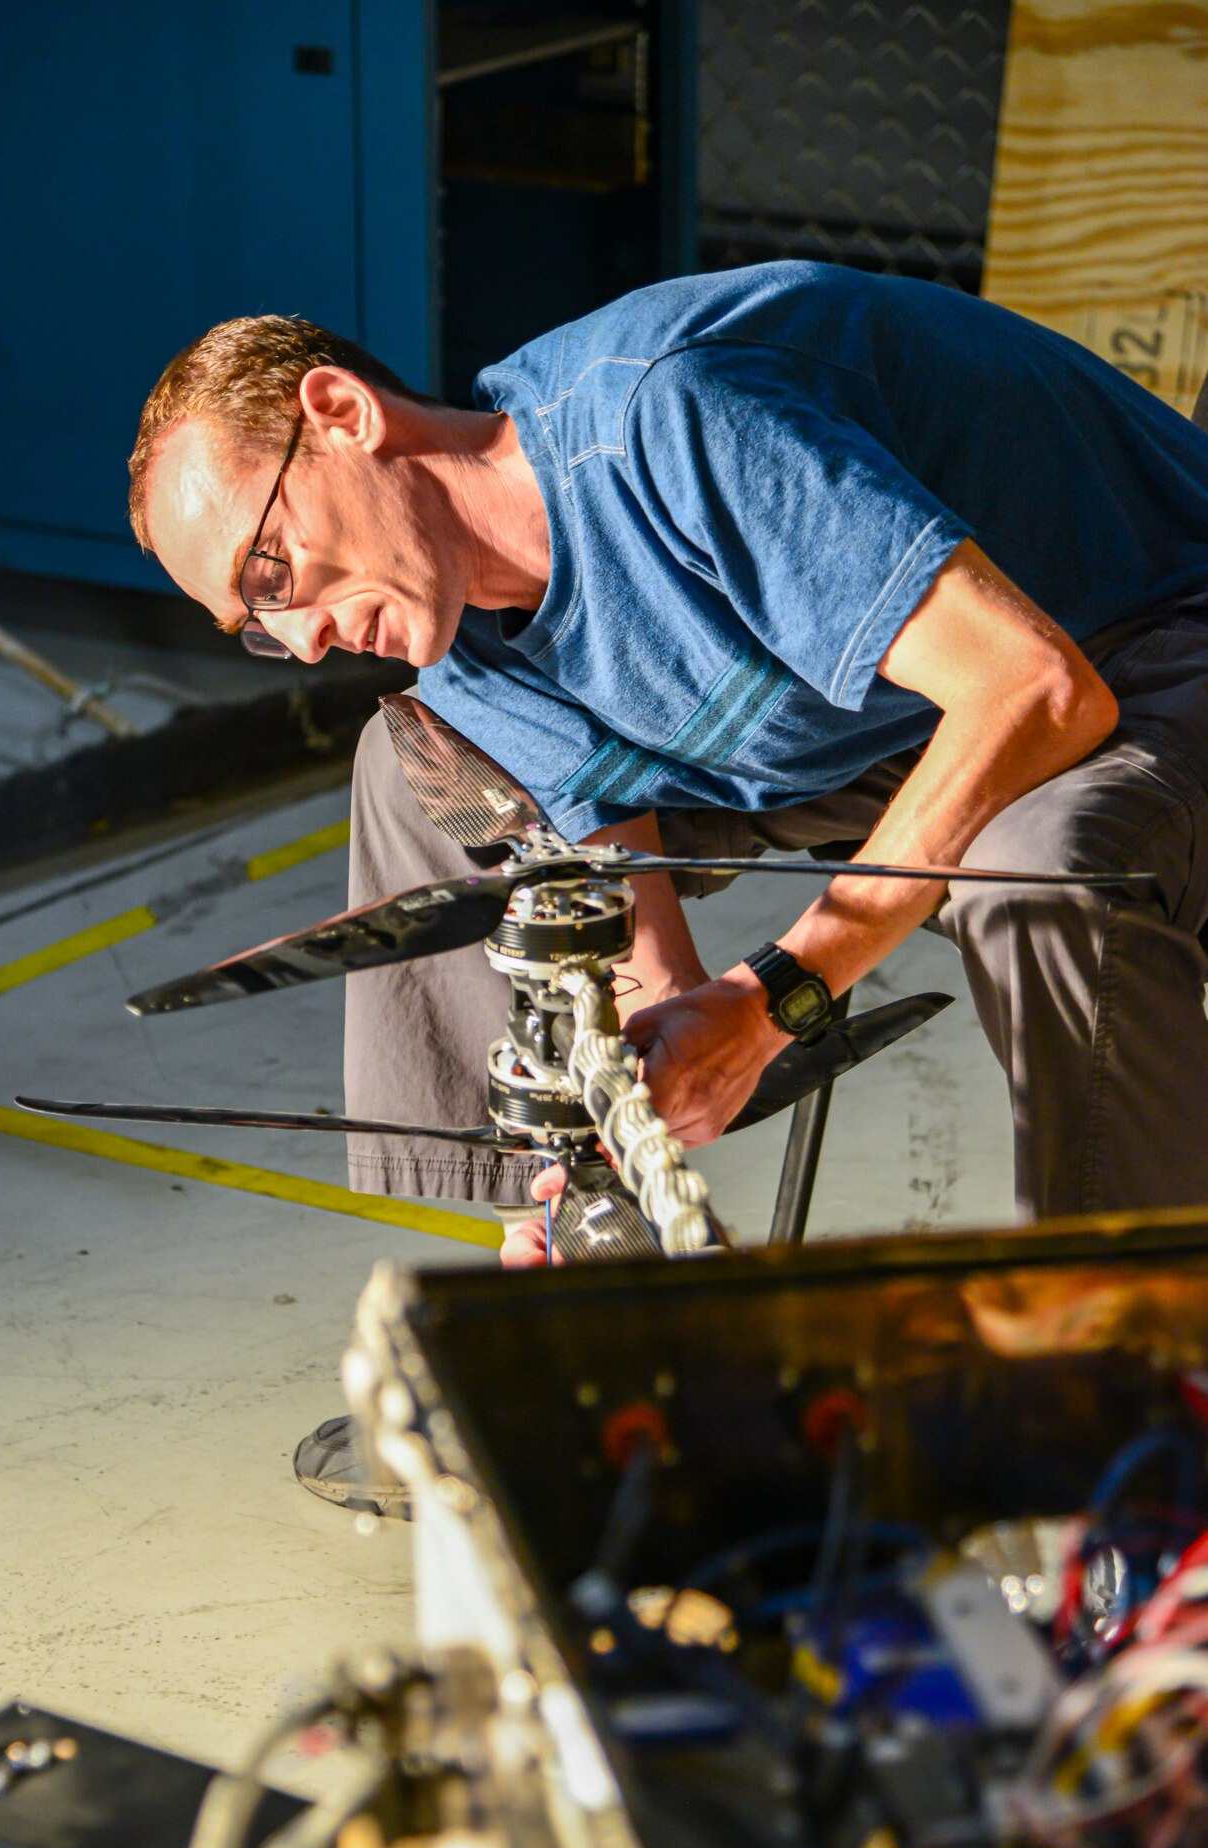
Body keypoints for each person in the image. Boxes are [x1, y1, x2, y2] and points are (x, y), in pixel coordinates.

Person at [129, 265, 1208, 1504]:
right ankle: (578, 1284)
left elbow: (1035, 692)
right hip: (874, 716)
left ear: (343, 414)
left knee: (1037, 874)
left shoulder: (673, 418)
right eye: (254, 625)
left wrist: (776, 1000)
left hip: (1136, 637)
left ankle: (1140, 1404)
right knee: (417, 762)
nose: (300, 636)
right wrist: (636, 1117)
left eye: (271, 570)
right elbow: (615, 892)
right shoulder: (449, 621)